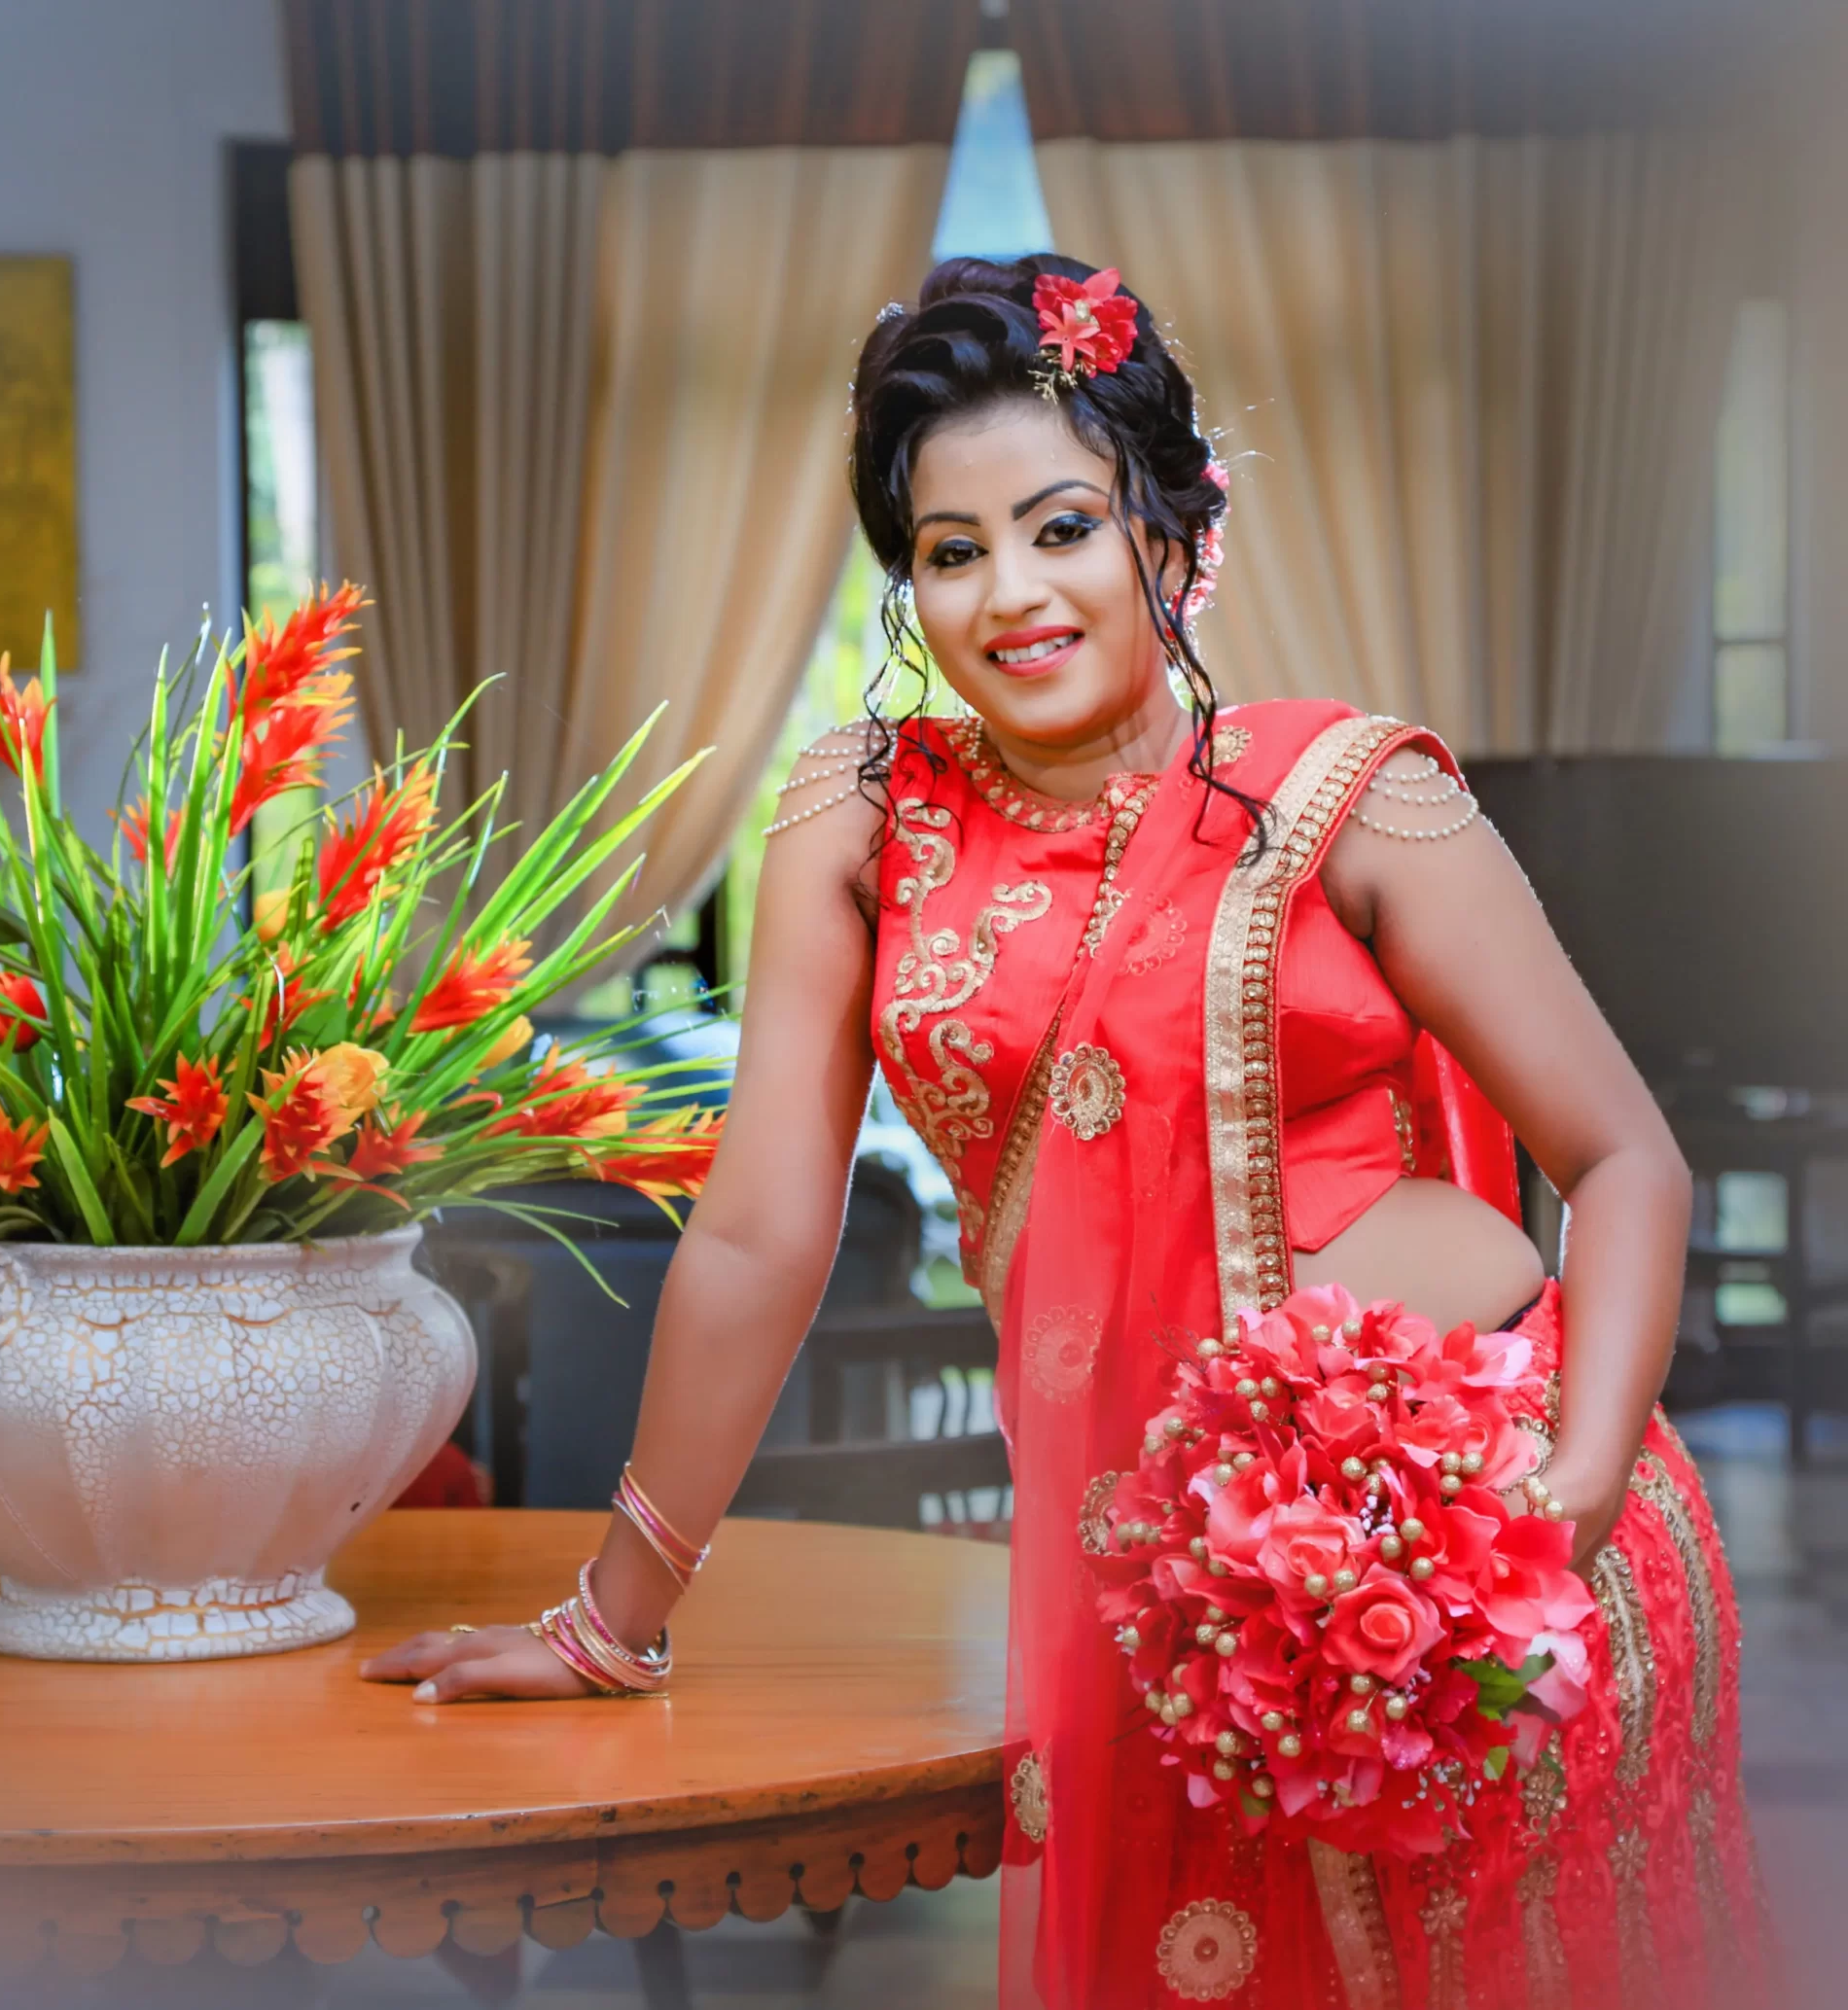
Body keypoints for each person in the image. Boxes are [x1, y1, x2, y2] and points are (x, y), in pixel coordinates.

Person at [363, 254, 1770, 2007]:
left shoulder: (1346, 791)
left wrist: (1556, 1509)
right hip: (1165, 1612)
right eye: (950, 553)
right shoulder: (861, 821)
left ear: (1172, 540)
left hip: (1477, 1571)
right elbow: (755, 1236)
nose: (1009, 594)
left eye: (1061, 528)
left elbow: (1626, 1159)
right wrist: (609, 1621)